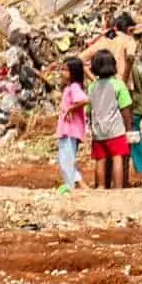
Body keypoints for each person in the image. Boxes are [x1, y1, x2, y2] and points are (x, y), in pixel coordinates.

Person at [85, 49, 132, 190]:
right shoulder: (118, 85)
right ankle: (117, 187)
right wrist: (128, 128)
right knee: (117, 157)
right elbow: (125, 108)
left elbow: (89, 110)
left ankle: (100, 186)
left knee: (100, 159)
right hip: (115, 129)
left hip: (98, 130)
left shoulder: (92, 87)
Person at [54, 56, 89, 192]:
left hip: (69, 130)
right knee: (66, 159)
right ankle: (78, 184)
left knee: (66, 161)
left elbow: (85, 100)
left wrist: (70, 109)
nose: (62, 73)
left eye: (65, 70)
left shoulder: (74, 87)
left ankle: (71, 186)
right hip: (67, 129)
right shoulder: (70, 87)